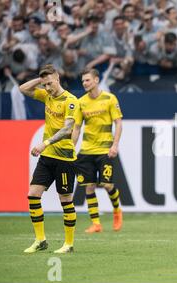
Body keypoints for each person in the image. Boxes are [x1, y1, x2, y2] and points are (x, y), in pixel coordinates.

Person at [19, 64, 79, 254]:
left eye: (50, 83)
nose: (47, 88)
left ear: (58, 78)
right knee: (33, 194)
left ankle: (68, 244)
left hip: (64, 158)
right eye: (45, 85)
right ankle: (40, 240)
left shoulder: (71, 101)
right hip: (47, 157)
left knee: (65, 201)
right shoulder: (47, 95)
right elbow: (22, 89)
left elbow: (68, 129)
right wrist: (42, 79)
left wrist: (45, 142)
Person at [72, 68, 123, 233]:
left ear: (96, 80)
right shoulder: (81, 102)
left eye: (87, 80)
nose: (84, 83)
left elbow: (119, 123)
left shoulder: (110, 98)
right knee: (89, 187)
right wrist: (71, 147)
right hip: (87, 151)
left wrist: (115, 145)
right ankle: (96, 224)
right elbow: (77, 128)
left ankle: (117, 211)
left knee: (107, 185)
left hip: (105, 150)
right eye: (83, 81)